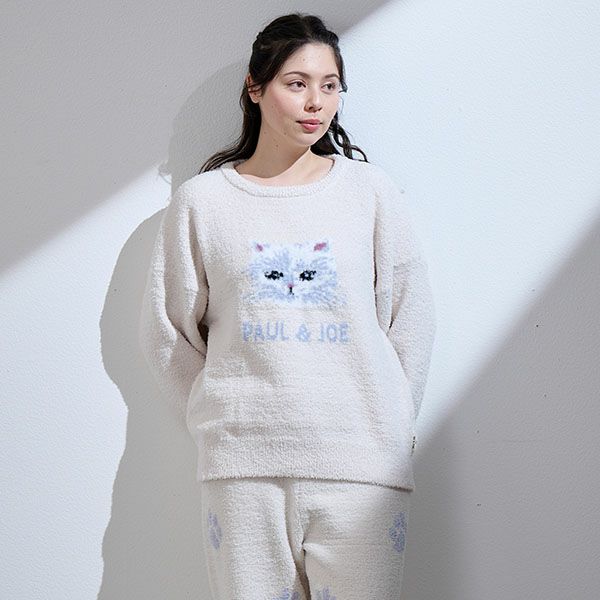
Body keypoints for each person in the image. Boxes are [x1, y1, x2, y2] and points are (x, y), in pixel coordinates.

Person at [139, 11, 436, 600]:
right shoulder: (204, 203)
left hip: (361, 464)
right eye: (296, 83)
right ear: (255, 87)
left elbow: (410, 318)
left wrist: (391, 422)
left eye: (330, 85)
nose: (315, 102)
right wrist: (219, 417)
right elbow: (169, 330)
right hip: (243, 467)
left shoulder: (369, 193)